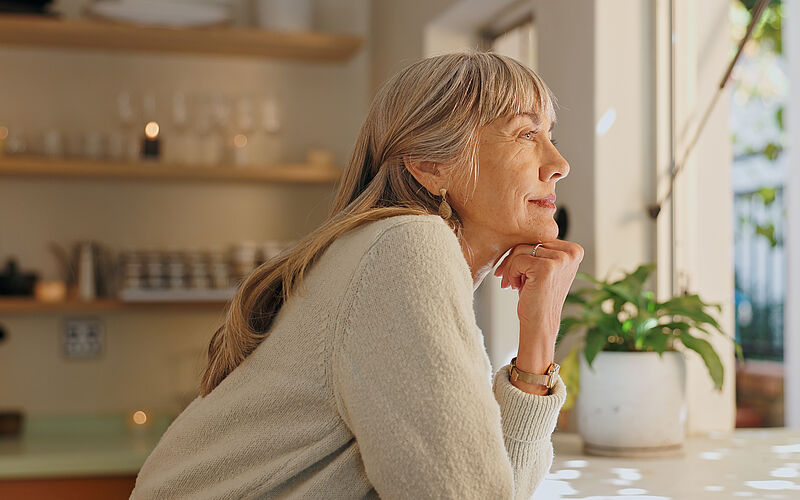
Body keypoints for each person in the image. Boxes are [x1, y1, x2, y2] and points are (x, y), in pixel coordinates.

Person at [131, 51, 584, 499]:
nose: (559, 163)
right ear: (430, 166)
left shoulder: (393, 249)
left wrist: (539, 332)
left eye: (550, 135)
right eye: (527, 133)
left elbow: (497, 485)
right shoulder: (406, 244)